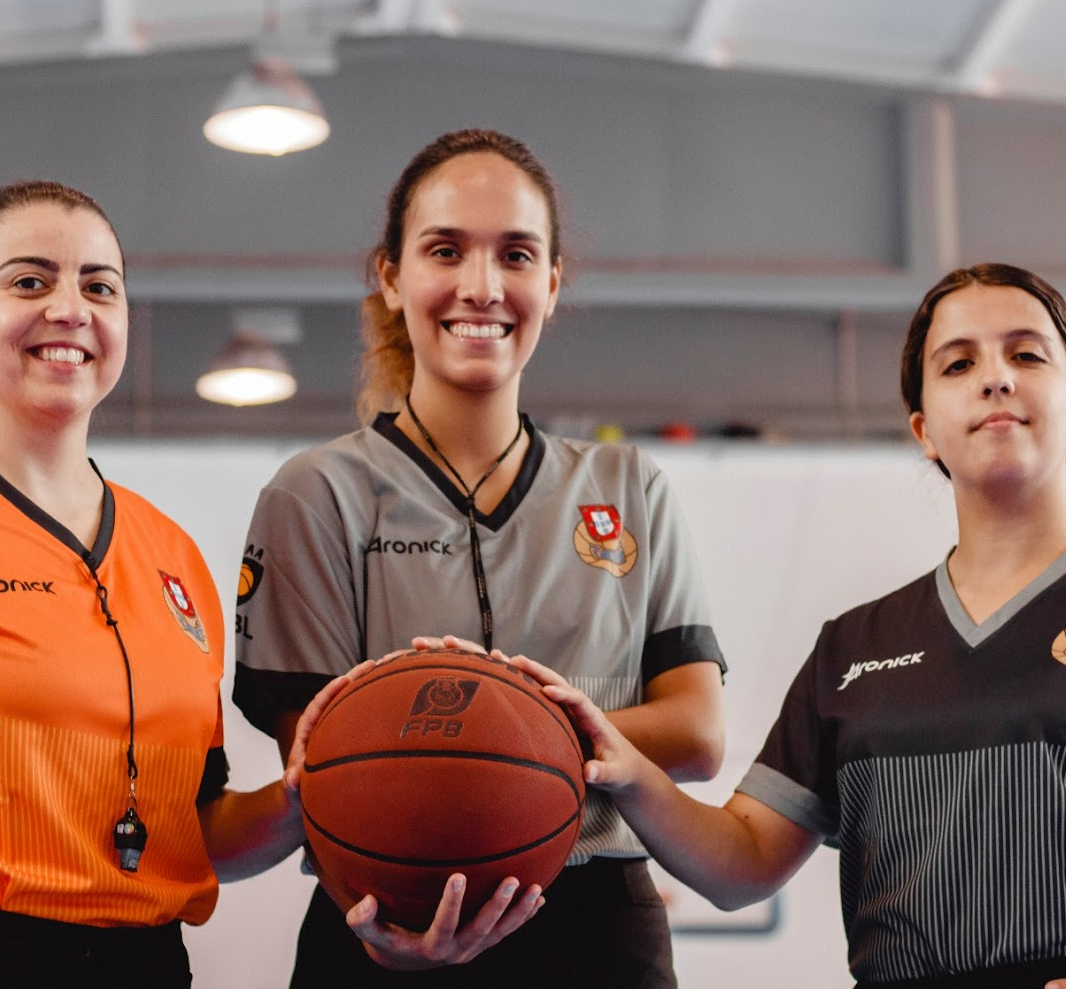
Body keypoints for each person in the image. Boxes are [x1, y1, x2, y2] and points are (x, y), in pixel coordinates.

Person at [516, 262, 1066, 989]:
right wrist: (625, 770)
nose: (995, 378)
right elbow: (743, 860)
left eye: (1027, 354)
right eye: (959, 363)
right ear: (924, 431)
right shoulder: (854, 648)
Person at [231, 128, 727, 987]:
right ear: (390, 277)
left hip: (596, 922)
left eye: (517, 255)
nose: (482, 286)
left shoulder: (626, 484)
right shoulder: (314, 494)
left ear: (552, 282)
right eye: (446, 250)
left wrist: (503, 731)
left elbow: (696, 730)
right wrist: (526, 735)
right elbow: (325, 762)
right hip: (384, 917)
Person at [0, 181, 303, 989]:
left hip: (144, 965)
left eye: (99, 286)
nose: (70, 309)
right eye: (29, 281)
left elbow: (194, 828)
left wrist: (305, 798)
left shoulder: (170, 552)